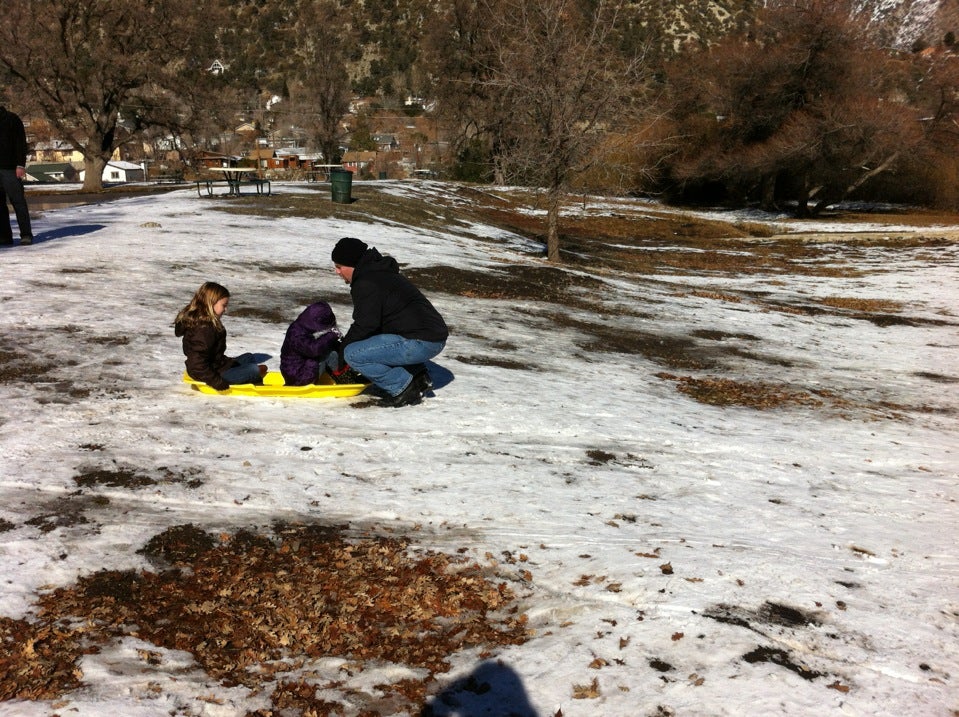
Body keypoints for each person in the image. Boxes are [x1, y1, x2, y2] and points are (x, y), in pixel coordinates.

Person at [331, 236, 449, 407]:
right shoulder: (379, 272)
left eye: (339, 267)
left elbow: (365, 324)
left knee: (353, 354)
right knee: (372, 340)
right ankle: (418, 377)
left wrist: (343, 349)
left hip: (421, 342)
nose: (337, 272)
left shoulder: (366, 283)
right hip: (432, 337)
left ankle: (402, 387)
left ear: (352, 265)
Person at [174, 282, 267, 391]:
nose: (225, 309)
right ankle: (250, 377)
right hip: (208, 374)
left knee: (249, 357)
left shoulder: (207, 324)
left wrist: (227, 363)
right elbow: (196, 364)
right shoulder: (204, 330)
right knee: (253, 369)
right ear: (210, 303)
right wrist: (216, 382)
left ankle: (244, 372)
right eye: (224, 305)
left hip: (215, 366)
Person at [280, 301, 364, 386]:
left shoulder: (301, 327)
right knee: (330, 355)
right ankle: (346, 379)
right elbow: (313, 350)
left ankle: (345, 373)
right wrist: (330, 336)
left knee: (329, 350)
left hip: (296, 372)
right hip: (298, 377)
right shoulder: (296, 335)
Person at [0, 105, 33, 246]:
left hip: (10, 169)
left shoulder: (12, 119)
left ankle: (26, 234)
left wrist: (20, 165)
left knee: (18, 202)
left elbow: (20, 144)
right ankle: (4, 236)